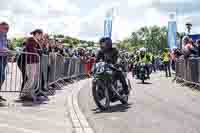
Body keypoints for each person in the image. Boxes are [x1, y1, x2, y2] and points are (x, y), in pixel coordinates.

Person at [21, 29, 43, 100]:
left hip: (34, 62)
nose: (41, 36)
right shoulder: (31, 40)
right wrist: (38, 50)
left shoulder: (35, 41)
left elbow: (41, 50)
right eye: (40, 34)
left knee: (33, 79)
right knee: (31, 79)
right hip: (31, 62)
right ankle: (23, 94)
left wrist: (39, 50)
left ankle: (29, 93)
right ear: (37, 34)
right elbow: (33, 50)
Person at [0, 22, 9, 101]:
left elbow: (5, 46)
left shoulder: (5, 36)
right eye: (5, 28)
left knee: (2, 77)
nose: (7, 30)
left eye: (8, 28)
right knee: (1, 76)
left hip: (4, 58)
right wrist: (8, 50)